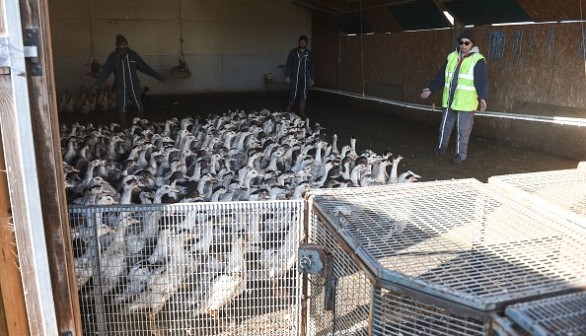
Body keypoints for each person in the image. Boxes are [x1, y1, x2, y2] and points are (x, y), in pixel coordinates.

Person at [420, 29, 488, 164]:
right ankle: (440, 149)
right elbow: (441, 75)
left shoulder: (478, 60)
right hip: (449, 100)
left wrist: (483, 97)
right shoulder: (452, 57)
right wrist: (431, 88)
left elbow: (481, 80)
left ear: (472, 44)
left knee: (462, 131)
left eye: (466, 43)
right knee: (444, 127)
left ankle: (460, 155)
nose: (463, 45)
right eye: (461, 42)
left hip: (466, 102)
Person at [95, 34, 164, 121]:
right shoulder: (113, 57)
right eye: (121, 44)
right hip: (120, 86)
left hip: (133, 85)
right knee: (121, 106)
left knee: (138, 105)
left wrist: (158, 76)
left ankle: (141, 125)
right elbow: (106, 71)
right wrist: (98, 84)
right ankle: (123, 128)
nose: (123, 46)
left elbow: (144, 67)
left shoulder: (133, 55)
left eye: (125, 44)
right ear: (117, 45)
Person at [285, 35, 316, 118]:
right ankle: (289, 108)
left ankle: (302, 111)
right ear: (299, 42)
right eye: (301, 41)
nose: (302, 43)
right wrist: (287, 76)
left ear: (306, 43)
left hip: (304, 77)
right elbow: (288, 64)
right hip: (294, 76)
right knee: (293, 93)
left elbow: (311, 67)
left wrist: (312, 78)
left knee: (304, 94)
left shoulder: (308, 54)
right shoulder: (293, 52)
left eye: (304, 42)